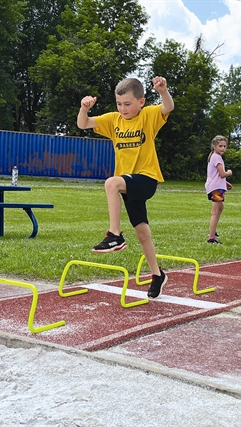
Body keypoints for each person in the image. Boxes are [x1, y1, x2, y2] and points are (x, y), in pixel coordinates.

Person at [77, 76, 174, 298]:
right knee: (142, 232)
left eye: (127, 104)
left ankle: (115, 235)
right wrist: (84, 109)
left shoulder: (149, 115)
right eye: (119, 104)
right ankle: (158, 274)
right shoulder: (113, 120)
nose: (123, 109)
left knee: (111, 182)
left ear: (141, 102)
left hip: (146, 178)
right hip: (128, 183)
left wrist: (163, 91)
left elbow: (168, 107)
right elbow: (83, 124)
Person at [205, 135, 233, 244]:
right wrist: (229, 173)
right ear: (214, 146)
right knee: (215, 212)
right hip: (216, 188)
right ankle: (211, 238)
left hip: (216, 186)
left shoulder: (213, 156)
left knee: (220, 208)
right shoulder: (217, 157)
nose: (223, 148)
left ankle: (213, 229)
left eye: (224, 146)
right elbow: (222, 174)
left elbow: (214, 175)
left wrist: (225, 184)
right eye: (220, 146)